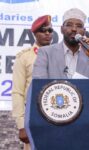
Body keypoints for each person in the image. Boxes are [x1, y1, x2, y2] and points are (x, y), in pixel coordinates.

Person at [12, 15, 53, 150]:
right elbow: (17, 92)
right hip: (34, 116)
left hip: (58, 111)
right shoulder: (24, 57)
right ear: (35, 33)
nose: (47, 33)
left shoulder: (59, 55)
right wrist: (21, 125)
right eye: (43, 30)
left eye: (50, 30)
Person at [32, 8, 89, 79]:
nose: (74, 29)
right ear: (61, 29)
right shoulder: (46, 53)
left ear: (84, 31)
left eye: (79, 26)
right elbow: (39, 83)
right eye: (69, 25)